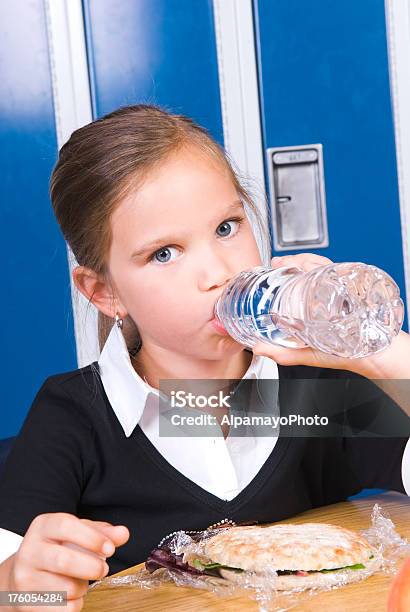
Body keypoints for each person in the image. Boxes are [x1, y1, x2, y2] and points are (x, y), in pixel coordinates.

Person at [0, 105, 409, 612]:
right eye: (164, 253)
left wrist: (384, 354)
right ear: (104, 291)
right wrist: (23, 585)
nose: (217, 271)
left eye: (227, 227)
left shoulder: (315, 389)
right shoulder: (72, 416)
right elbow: (16, 589)